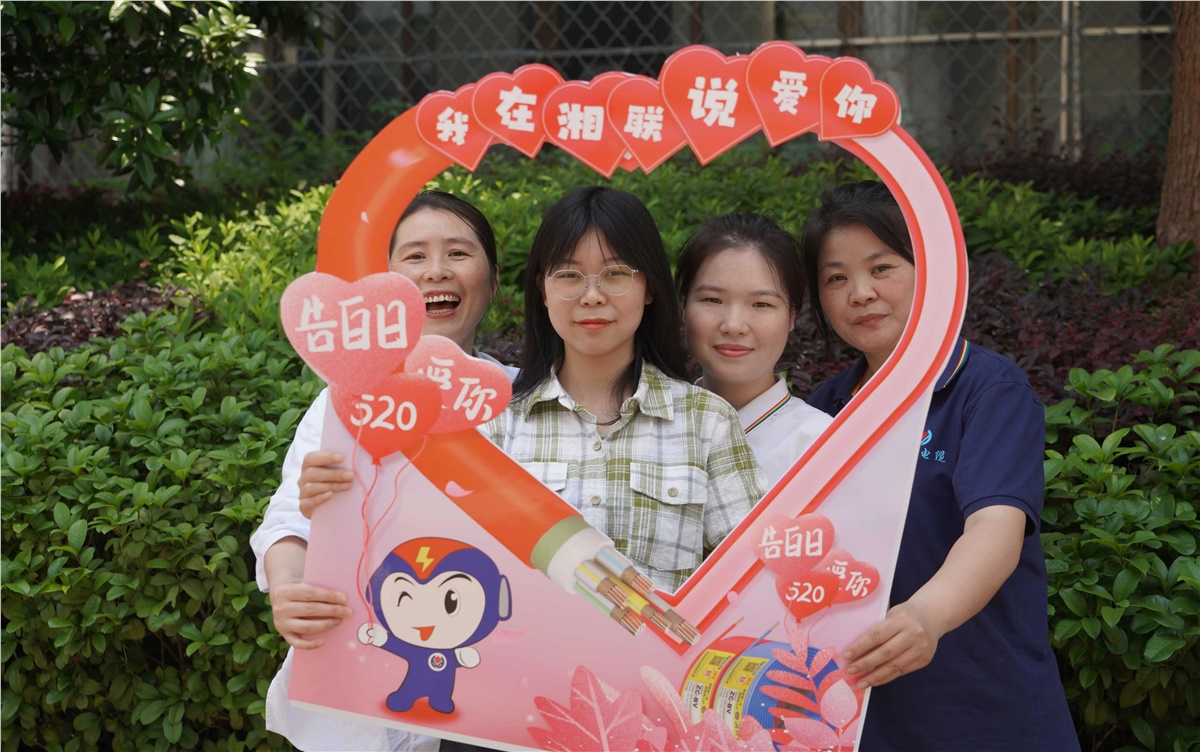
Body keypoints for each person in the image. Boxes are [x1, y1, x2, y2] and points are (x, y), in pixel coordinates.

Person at [799, 181, 1078, 751]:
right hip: (862, 716)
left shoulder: (988, 390)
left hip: (987, 712)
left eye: (882, 268)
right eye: (836, 278)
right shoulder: (822, 411)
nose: (860, 293)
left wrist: (927, 615)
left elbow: (996, 528)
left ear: (931, 272)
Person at [251, 190, 517, 752]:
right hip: (358, 715)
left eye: (458, 253)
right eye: (414, 256)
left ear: (493, 282)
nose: (436, 270)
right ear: (387, 286)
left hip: (494, 709)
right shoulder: (344, 401)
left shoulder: (523, 401)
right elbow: (287, 523)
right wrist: (289, 588)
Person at [480, 186, 768, 594]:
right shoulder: (496, 424)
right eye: (569, 276)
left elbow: (754, 577)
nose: (592, 296)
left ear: (648, 287)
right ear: (543, 290)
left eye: (615, 274)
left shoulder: (707, 422)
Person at [676, 212, 832, 486]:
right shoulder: (646, 428)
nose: (733, 325)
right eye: (713, 300)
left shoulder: (820, 445)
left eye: (761, 304)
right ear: (684, 307)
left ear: (792, 317)